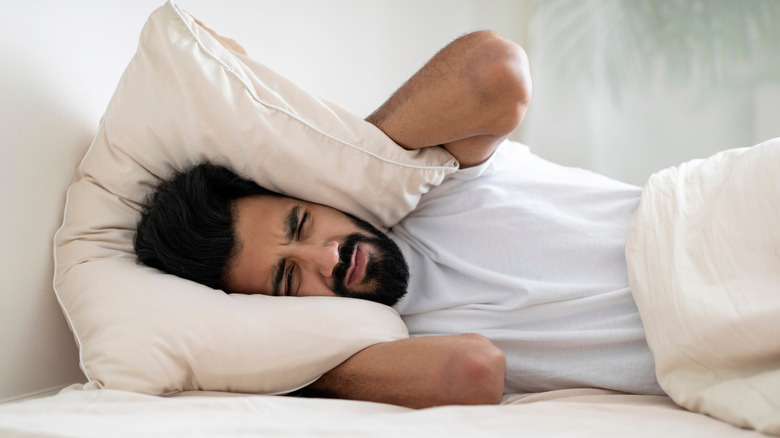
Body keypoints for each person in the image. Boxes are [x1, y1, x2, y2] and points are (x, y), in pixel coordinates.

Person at [134, 31, 663, 408]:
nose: (327, 256)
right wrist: (289, 364)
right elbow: (473, 373)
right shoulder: (381, 344)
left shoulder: (429, 179)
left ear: (307, 192)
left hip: (710, 225)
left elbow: (496, 73)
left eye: (300, 224)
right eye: (289, 280)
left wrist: (352, 162)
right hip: (712, 356)